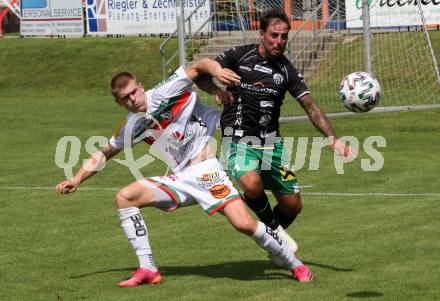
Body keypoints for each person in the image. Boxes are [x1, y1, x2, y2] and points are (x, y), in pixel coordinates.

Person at [56, 58, 313, 287]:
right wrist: (76, 178)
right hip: (179, 177)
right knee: (125, 197)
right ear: (118, 101)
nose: (132, 99)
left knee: (244, 224)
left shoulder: (167, 90)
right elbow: (103, 153)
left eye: (134, 92)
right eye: (125, 98)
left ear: (141, 87)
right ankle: (148, 268)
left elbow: (198, 65)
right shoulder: (131, 126)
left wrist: (218, 72)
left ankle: (295, 264)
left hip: (208, 170)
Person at [195, 9, 357, 263]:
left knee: (293, 205)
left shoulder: (287, 70)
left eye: (284, 36)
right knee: (250, 183)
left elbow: (310, 106)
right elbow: (200, 75)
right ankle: (276, 233)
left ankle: (273, 241)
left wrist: (333, 139)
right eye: (274, 35)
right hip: (238, 139)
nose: (279, 41)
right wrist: (217, 89)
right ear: (262, 34)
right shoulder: (238, 56)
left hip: (271, 143)